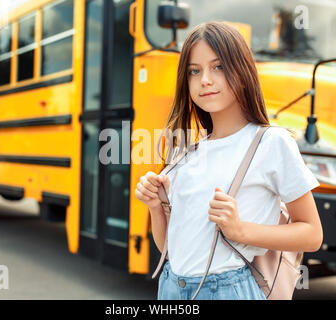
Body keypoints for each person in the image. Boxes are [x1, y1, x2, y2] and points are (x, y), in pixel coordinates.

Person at [134, 21, 323, 300]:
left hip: (229, 290)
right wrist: (155, 207)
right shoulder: (183, 153)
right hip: (171, 286)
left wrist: (240, 230)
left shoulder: (271, 143)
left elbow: (312, 234)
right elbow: (169, 249)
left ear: (242, 71)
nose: (205, 80)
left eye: (218, 67)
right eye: (194, 71)